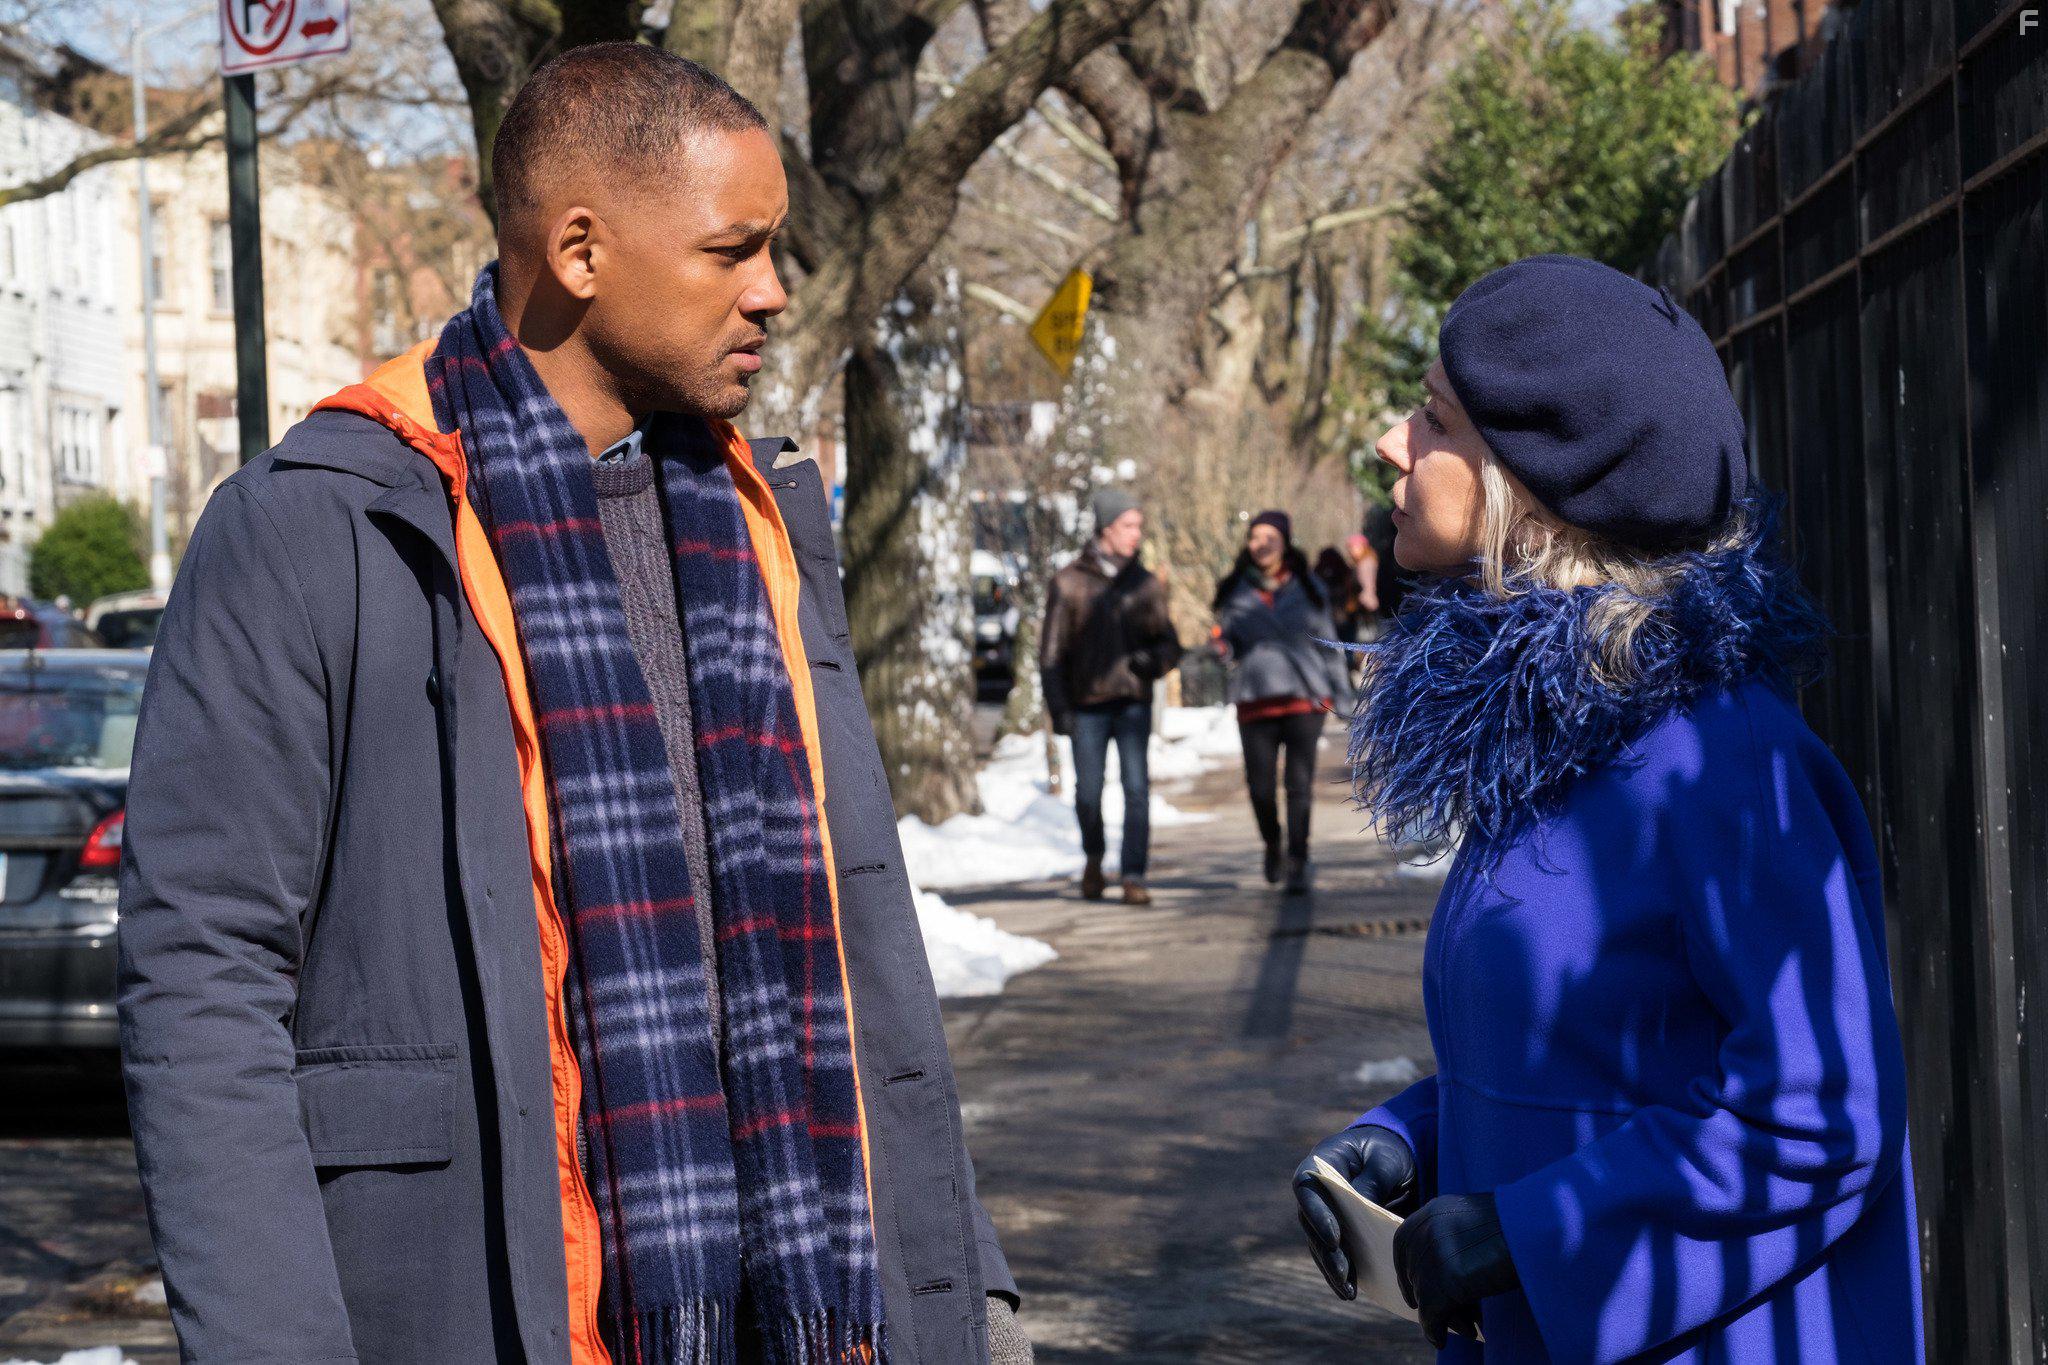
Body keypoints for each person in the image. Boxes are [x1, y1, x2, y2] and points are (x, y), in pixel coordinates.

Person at [117, 46, 1029, 1365]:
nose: (773, 291)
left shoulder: (763, 522)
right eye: (734, 250)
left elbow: (858, 950)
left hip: (811, 1315)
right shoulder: (322, 522)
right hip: (474, 1312)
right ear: (584, 250)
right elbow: (203, 982)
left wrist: (965, 1280)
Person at [1291, 256, 1920, 1360]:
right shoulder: (1556, 734)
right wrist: (1413, 1140)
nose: (1392, 445)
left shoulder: (1716, 762)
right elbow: (1591, 1059)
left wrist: (1526, 1236)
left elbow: (1817, 1116)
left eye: (1433, 419)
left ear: (1532, 486)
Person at [1038, 487, 1182, 904]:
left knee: (1137, 790)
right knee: (1088, 792)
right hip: (1086, 707)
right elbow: (1050, 654)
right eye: (1129, 525)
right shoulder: (1068, 583)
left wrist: (1148, 664)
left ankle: (1134, 875)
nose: (1137, 534)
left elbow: (1169, 647)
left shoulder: (1145, 584)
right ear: (1106, 528)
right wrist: (1059, 708)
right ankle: (1094, 859)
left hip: (1133, 705)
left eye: (1139, 525)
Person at [1210, 511, 1349, 894]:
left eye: (1270, 536)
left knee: (1299, 784)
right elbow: (1229, 643)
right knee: (1259, 787)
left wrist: (1342, 697)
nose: (1262, 544)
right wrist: (1222, 648)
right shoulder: (1234, 590)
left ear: (1285, 541)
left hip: (1304, 696)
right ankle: (1273, 843)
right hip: (1255, 699)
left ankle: (1298, 858)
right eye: (1255, 537)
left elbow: (1330, 644)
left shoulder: (1308, 586)